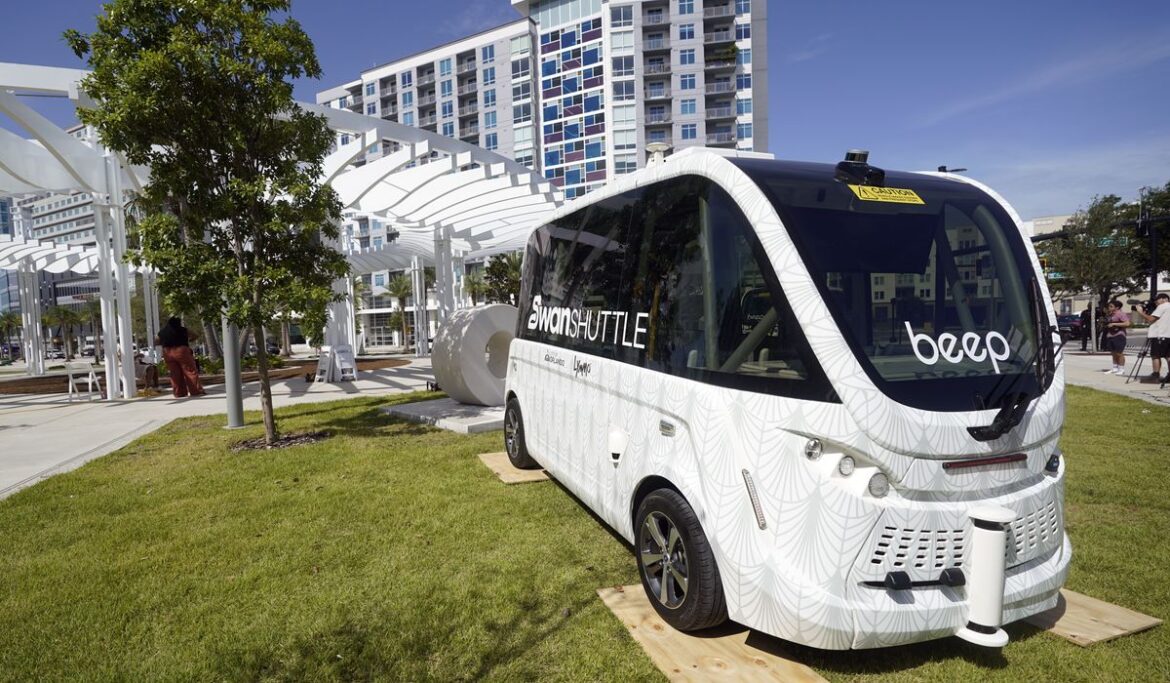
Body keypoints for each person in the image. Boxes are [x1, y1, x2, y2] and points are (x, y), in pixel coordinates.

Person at [155, 316, 206, 397]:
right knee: (190, 371)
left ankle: (179, 392)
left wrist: (165, 342)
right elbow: (195, 335)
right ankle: (196, 391)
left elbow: (156, 341)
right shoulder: (183, 329)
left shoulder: (162, 332)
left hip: (168, 352)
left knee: (174, 373)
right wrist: (190, 340)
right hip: (182, 351)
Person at [1136, 293, 1170, 380]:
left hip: (1159, 335)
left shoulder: (1162, 306)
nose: (1155, 302)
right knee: (1168, 356)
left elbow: (1151, 319)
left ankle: (1155, 375)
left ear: (1165, 299)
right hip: (1167, 335)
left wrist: (1140, 312)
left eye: (1157, 299)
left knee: (1155, 355)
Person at [1101, 300, 1130, 375]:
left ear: (1117, 307)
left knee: (1119, 353)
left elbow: (1127, 323)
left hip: (1119, 335)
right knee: (1113, 353)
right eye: (1109, 306)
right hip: (1110, 335)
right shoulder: (1110, 314)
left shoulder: (1121, 314)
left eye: (1111, 306)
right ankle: (1115, 368)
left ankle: (1121, 369)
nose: (1109, 308)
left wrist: (1114, 324)